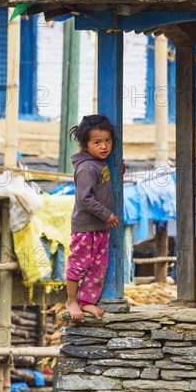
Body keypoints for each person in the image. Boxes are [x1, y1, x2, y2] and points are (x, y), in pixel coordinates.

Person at [65, 114, 124, 321]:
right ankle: (72, 301)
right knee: (79, 265)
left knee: (98, 267)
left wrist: (118, 170)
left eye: (107, 141)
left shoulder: (100, 163)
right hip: (85, 228)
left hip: (100, 228)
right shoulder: (88, 168)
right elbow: (84, 198)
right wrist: (106, 214)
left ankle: (87, 301)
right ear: (85, 144)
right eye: (97, 142)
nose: (104, 146)